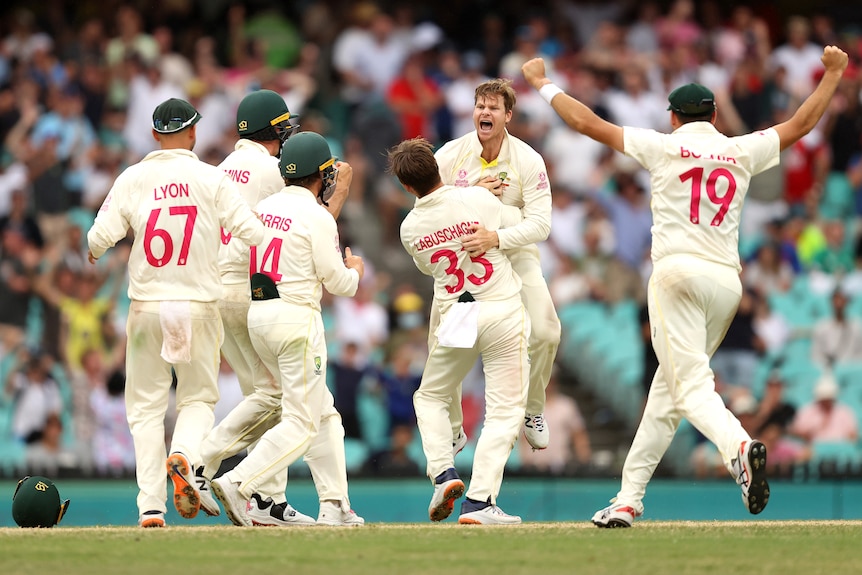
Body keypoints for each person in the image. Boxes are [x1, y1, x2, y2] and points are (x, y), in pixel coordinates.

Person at [521, 44, 849, 527]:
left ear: (673, 118)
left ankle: (738, 447)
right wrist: (833, 74)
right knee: (667, 393)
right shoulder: (739, 149)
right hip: (726, 285)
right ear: (715, 114)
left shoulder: (664, 145)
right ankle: (628, 499)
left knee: (688, 385)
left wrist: (540, 83)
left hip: (676, 275)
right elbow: (801, 125)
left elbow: (588, 123)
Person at [86, 97, 266, 528]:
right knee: (198, 398)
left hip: (147, 306)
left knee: (146, 409)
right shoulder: (211, 178)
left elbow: (98, 238)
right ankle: (184, 453)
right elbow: (255, 233)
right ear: (193, 133)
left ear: (154, 135)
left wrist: (95, 252)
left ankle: (150, 507)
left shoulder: (133, 178)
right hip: (199, 304)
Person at [200, 89, 362, 527]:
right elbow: (318, 237)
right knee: (296, 413)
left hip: (233, 298)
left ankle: (333, 505)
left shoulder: (221, 171)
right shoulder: (275, 176)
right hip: (274, 300)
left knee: (299, 403)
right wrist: (340, 198)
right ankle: (225, 472)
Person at [391, 137, 530, 525]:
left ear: (406, 187)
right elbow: (516, 226)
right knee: (503, 411)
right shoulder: (479, 201)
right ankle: (480, 502)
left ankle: (442, 472)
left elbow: (428, 266)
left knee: (430, 397)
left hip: (459, 312)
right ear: (439, 169)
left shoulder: (410, 228)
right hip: (501, 306)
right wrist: (476, 195)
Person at [435, 77, 559, 451]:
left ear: (508, 115)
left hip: (513, 255)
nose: (485, 113)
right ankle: (454, 427)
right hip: (465, 261)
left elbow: (541, 224)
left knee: (546, 332)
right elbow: (426, 208)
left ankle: (533, 407)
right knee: (450, 344)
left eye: (493, 108)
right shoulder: (450, 155)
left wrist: (497, 236)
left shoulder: (528, 160)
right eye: (480, 106)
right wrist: (470, 194)